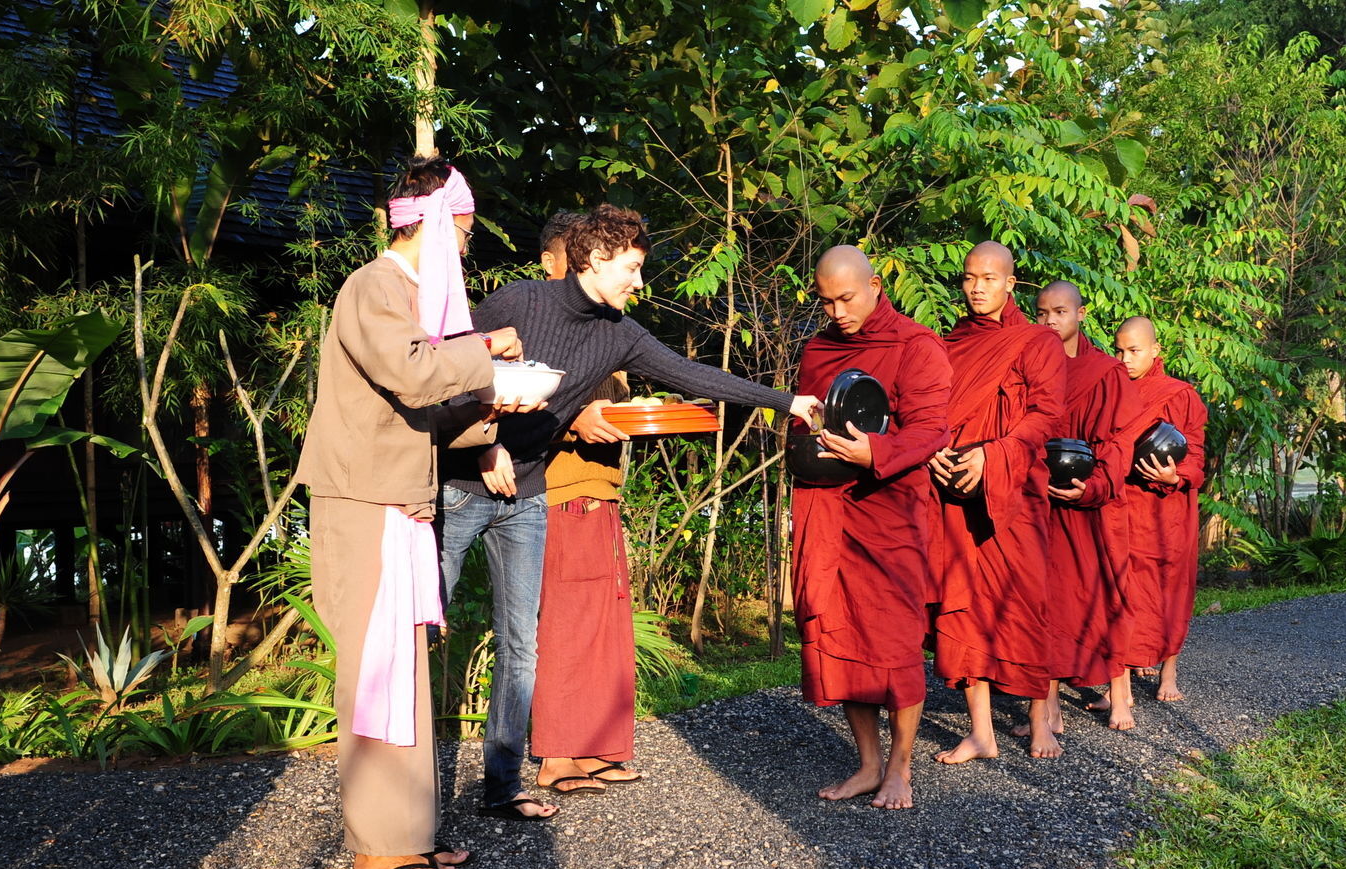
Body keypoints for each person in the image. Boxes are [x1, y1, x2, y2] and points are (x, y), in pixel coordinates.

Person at [438, 204, 823, 821]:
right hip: (461, 485)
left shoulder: (620, 333)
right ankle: (401, 798)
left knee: (521, 648)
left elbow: (692, 373)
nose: (639, 284)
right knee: (424, 626)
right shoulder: (518, 301)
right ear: (594, 260)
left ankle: (502, 790)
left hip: (528, 496)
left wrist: (788, 401)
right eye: (633, 268)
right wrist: (484, 445)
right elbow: (445, 371)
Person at [294, 156, 531, 869]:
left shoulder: (409, 296)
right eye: (462, 227)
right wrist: (486, 357)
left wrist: (493, 412)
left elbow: (422, 413)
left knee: (406, 671)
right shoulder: (374, 286)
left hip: (396, 499)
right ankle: (378, 846)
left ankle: (410, 833)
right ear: (434, 222)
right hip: (365, 502)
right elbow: (411, 373)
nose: (467, 242)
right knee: (375, 672)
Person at [794, 245, 952, 810]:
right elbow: (806, 418)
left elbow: (933, 429)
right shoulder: (819, 348)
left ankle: (901, 769)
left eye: (847, 297)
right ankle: (866, 763)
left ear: (876, 284)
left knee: (893, 642)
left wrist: (874, 453)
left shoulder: (915, 345)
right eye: (827, 301)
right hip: (829, 509)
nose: (838, 311)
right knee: (841, 636)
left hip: (891, 510)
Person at [927, 243, 1068, 762]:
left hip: (1014, 489)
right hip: (956, 489)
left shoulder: (1037, 342)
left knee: (1024, 602)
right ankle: (981, 732)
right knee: (961, 603)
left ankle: (1037, 722)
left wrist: (997, 454)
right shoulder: (947, 345)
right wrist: (933, 453)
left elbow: (1048, 414)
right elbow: (930, 413)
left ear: (1011, 284)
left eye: (989, 278)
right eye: (969, 278)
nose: (978, 287)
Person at [530, 210, 640, 797]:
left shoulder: (604, 329)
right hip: (562, 495)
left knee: (604, 627)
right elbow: (518, 412)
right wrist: (575, 420)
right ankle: (556, 755)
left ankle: (595, 749)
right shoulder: (540, 326)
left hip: (600, 494)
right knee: (570, 626)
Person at [1037, 280, 1138, 729]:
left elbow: (1119, 442)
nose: (1050, 321)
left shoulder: (1104, 371)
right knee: (1048, 602)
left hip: (1094, 501)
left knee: (1104, 595)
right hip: (1039, 498)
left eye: (1060, 312)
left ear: (1080, 313)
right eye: (1042, 313)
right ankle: (1049, 703)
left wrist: (1094, 487)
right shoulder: (1028, 363)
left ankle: (1119, 695)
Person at [1100, 316, 1209, 706]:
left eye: (1134, 351)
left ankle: (1169, 671)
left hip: (1167, 508)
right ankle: (1121, 679)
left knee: (1168, 588)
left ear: (1155, 351)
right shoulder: (1110, 390)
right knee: (1123, 588)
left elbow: (1196, 453)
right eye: (1119, 350)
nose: (1125, 359)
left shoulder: (1179, 394)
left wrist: (1175, 475)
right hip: (1123, 503)